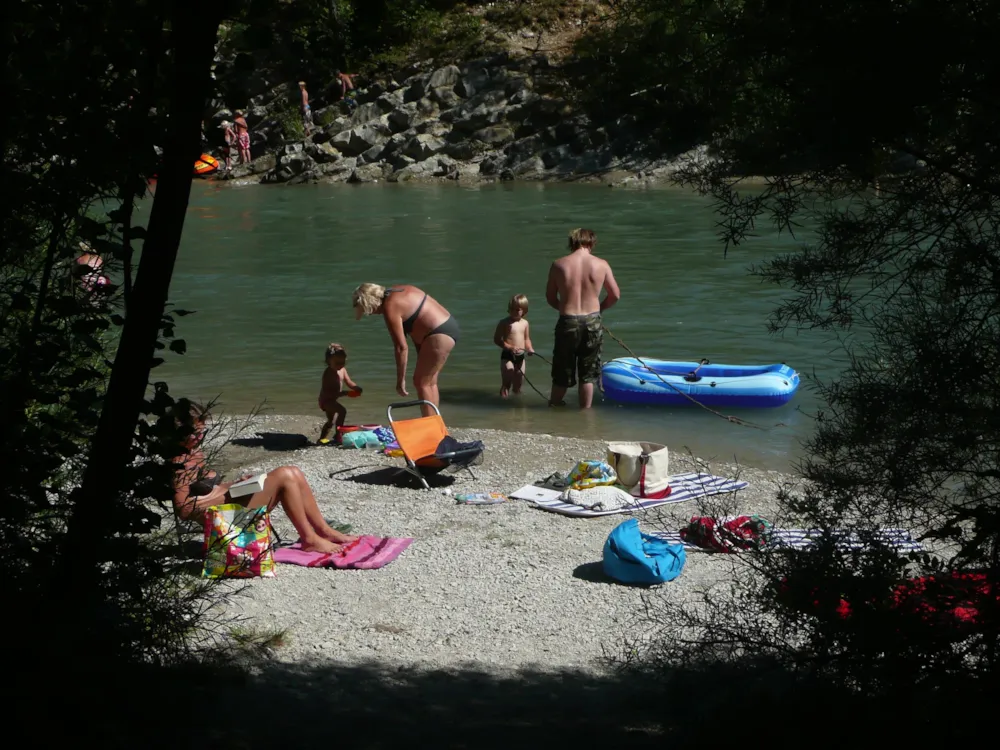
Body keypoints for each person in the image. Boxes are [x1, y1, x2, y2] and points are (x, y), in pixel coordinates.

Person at [172, 400, 358, 554]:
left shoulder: (194, 452)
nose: (200, 437)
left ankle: (324, 531)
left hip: (230, 505)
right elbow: (184, 510)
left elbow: (207, 488)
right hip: (223, 519)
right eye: (196, 433)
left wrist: (233, 485)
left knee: (294, 472)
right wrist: (221, 495)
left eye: (203, 431)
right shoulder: (179, 462)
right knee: (285, 475)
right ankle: (309, 539)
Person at [353, 283, 459, 416]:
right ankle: (435, 424)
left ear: (370, 302)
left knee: (421, 382)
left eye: (368, 310)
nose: (373, 313)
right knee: (430, 382)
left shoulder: (389, 306)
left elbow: (401, 347)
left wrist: (400, 380)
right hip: (448, 325)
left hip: (437, 333)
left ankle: (429, 427)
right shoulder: (397, 291)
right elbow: (418, 321)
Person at [545, 228, 621, 409]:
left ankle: (554, 406)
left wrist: (564, 309)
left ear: (572, 242)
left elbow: (550, 297)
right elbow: (615, 295)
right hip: (592, 321)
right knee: (587, 374)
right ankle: (584, 417)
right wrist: (598, 309)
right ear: (591, 242)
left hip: (568, 320)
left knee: (562, 371)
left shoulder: (559, 264)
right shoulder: (601, 264)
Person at [317, 342, 361, 445]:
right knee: (342, 411)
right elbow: (330, 392)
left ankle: (321, 439)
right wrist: (345, 393)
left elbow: (349, 382)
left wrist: (356, 388)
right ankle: (338, 435)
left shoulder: (342, 370)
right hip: (326, 400)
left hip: (333, 399)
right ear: (329, 361)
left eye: (343, 363)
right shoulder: (328, 374)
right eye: (337, 363)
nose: (341, 365)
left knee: (330, 422)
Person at [493, 293, 534, 398]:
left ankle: (516, 407)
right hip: (508, 355)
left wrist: (529, 348)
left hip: (520, 356)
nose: (514, 311)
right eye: (512, 308)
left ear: (524, 310)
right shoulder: (504, 323)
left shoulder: (525, 323)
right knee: (507, 380)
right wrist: (510, 347)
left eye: (517, 309)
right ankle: (503, 402)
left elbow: (526, 339)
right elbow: (497, 340)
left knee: (518, 385)